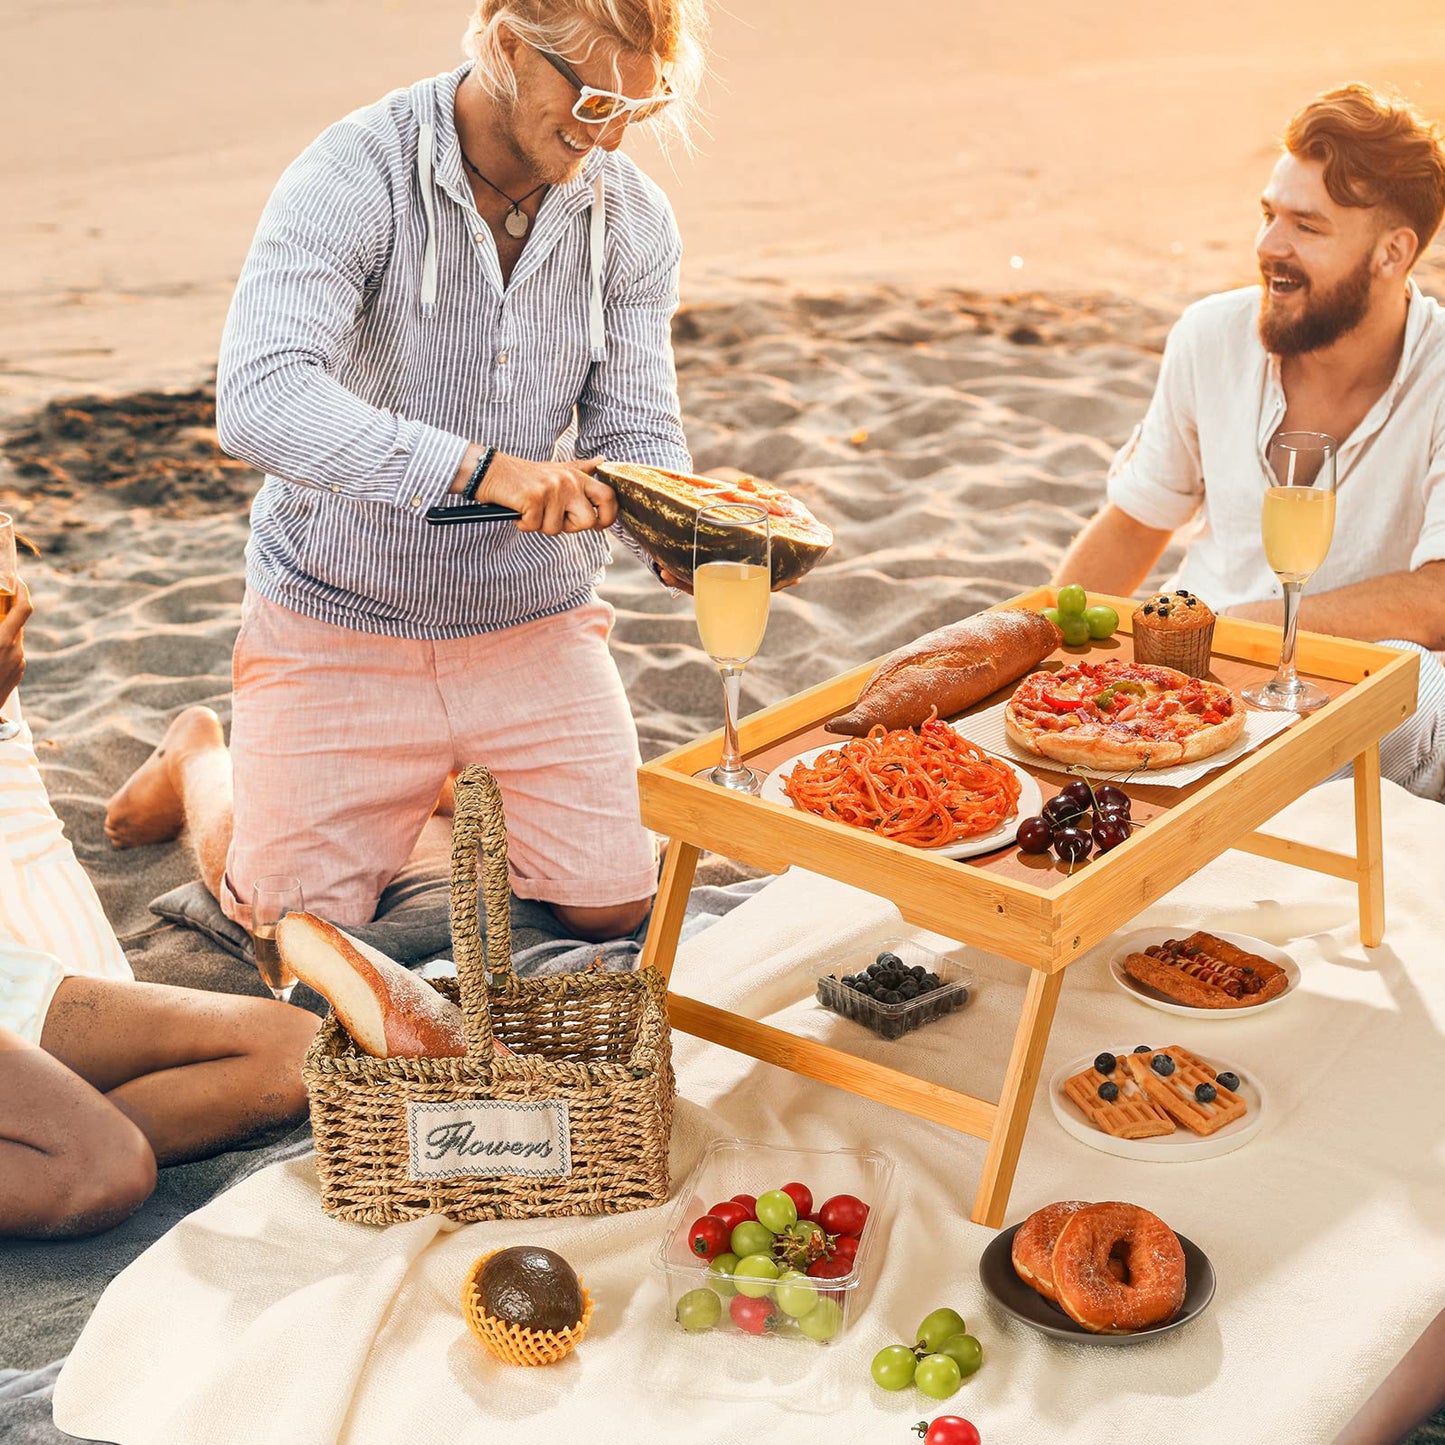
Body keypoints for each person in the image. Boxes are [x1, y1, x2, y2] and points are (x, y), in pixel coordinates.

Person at [105, 0, 709, 940]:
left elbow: (635, 425)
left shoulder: (631, 217)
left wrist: (675, 532)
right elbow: (258, 399)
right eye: (590, 99)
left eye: (642, 105)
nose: (613, 134)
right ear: (508, 43)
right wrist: (482, 471)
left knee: (612, 906)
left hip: (531, 619)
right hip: (338, 610)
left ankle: (427, 785)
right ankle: (200, 759)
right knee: (286, 923)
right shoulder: (353, 170)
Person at [1055, 84, 1445, 800]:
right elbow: (1137, 520)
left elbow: (1435, 598)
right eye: (1268, 215)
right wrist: (1045, 647)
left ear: (1393, 252)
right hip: (1188, 673)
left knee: (1417, 686)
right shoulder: (1209, 335)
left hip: (1343, 684)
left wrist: (1234, 629)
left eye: (1306, 225)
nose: (1268, 247)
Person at [0, 582, 318, 1239]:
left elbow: (17, 802)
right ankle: (64, 1141)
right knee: (100, 1168)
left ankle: (52, 1138)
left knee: (295, 1053)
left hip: (26, 958)